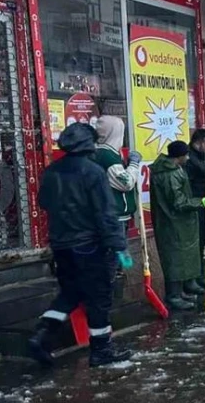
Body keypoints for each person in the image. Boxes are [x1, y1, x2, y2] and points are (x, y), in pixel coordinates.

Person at [28, 123, 134, 368]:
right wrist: (119, 247)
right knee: (98, 297)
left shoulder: (51, 171)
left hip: (61, 245)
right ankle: (101, 350)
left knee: (71, 292)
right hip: (89, 245)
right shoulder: (93, 172)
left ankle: (41, 334)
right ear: (89, 145)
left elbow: (44, 202)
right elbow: (105, 213)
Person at [150, 141, 205, 310]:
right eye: (185, 155)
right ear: (178, 157)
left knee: (183, 256)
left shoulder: (176, 169)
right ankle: (173, 295)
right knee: (175, 259)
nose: (188, 158)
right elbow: (178, 202)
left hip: (180, 222)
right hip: (171, 223)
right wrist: (200, 202)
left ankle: (180, 291)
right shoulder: (168, 175)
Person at [92, 116, 141, 230]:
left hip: (110, 214)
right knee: (117, 247)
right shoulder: (107, 155)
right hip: (114, 217)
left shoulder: (104, 152)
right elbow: (126, 182)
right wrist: (134, 164)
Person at [185, 129, 205, 288]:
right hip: (196, 205)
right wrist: (199, 200)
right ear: (200, 142)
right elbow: (189, 185)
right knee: (196, 242)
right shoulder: (189, 158)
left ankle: (202, 275)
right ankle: (193, 279)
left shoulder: (201, 157)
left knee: (204, 240)